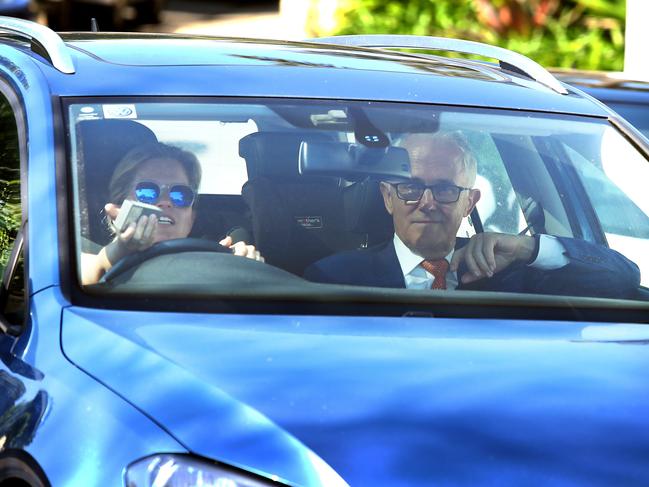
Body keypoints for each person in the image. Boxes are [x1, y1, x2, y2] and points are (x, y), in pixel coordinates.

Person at [304, 132, 640, 298]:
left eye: (446, 189)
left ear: (471, 202)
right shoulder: (336, 278)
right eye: (410, 188)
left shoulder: (511, 272)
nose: (427, 202)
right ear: (387, 197)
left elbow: (624, 279)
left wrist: (528, 249)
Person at [81, 142, 262, 285]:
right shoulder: (76, 262)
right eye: (147, 192)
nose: (165, 201)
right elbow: (88, 273)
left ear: (191, 217)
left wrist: (244, 268)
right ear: (118, 208)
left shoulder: (219, 263)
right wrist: (120, 251)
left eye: (180, 195)